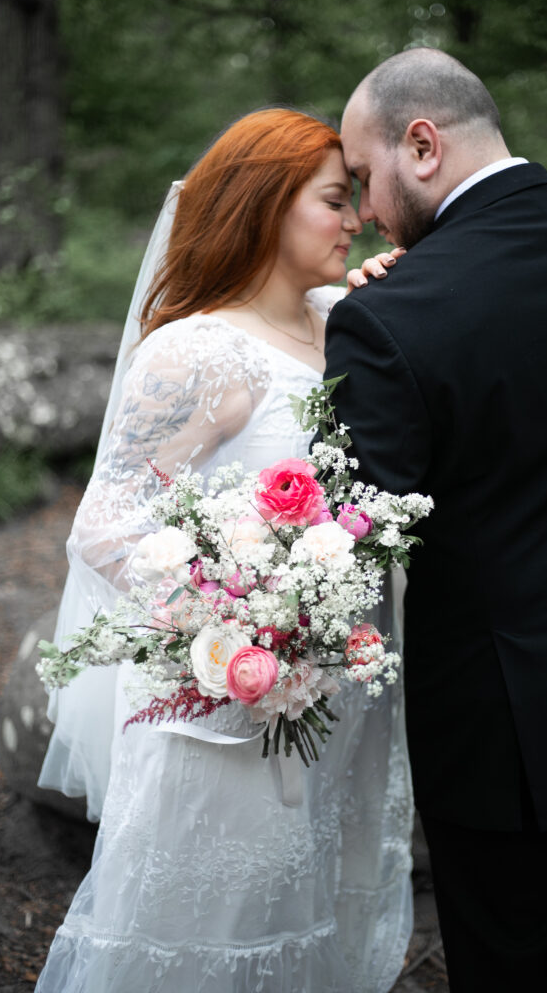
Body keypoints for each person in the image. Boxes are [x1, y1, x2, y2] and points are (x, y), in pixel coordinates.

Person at [35, 108, 414, 993]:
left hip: (326, 700)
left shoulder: (342, 319)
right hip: (225, 698)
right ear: (266, 204)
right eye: (333, 199)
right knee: (208, 936)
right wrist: (238, 630)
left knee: (302, 920)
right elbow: (105, 525)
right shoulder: (198, 351)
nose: (355, 216)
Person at [324, 47, 547, 992]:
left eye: (363, 178)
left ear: (419, 144)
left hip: (499, 725)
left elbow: (349, 532)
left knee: (507, 967)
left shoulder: (391, 316)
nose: (366, 215)